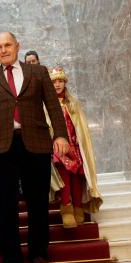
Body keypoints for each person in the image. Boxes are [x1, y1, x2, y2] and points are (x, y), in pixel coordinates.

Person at [0, 32, 69, 263]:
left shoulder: (38, 72)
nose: (4, 50)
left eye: (8, 45)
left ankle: (39, 254)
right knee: (6, 205)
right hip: (2, 147)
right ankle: (10, 258)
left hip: (36, 143)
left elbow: (53, 106)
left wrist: (60, 134)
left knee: (38, 202)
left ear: (18, 46)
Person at [48, 67, 102, 228]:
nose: (57, 84)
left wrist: (79, 143)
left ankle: (78, 208)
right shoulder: (47, 105)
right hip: (58, 147)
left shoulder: (73, 104)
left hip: (75, 146)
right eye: (54, 82)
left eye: (60, 81)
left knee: (77, 176)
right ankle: (67, 209)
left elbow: (81, 127)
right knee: (64, 176)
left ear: (65, 83)